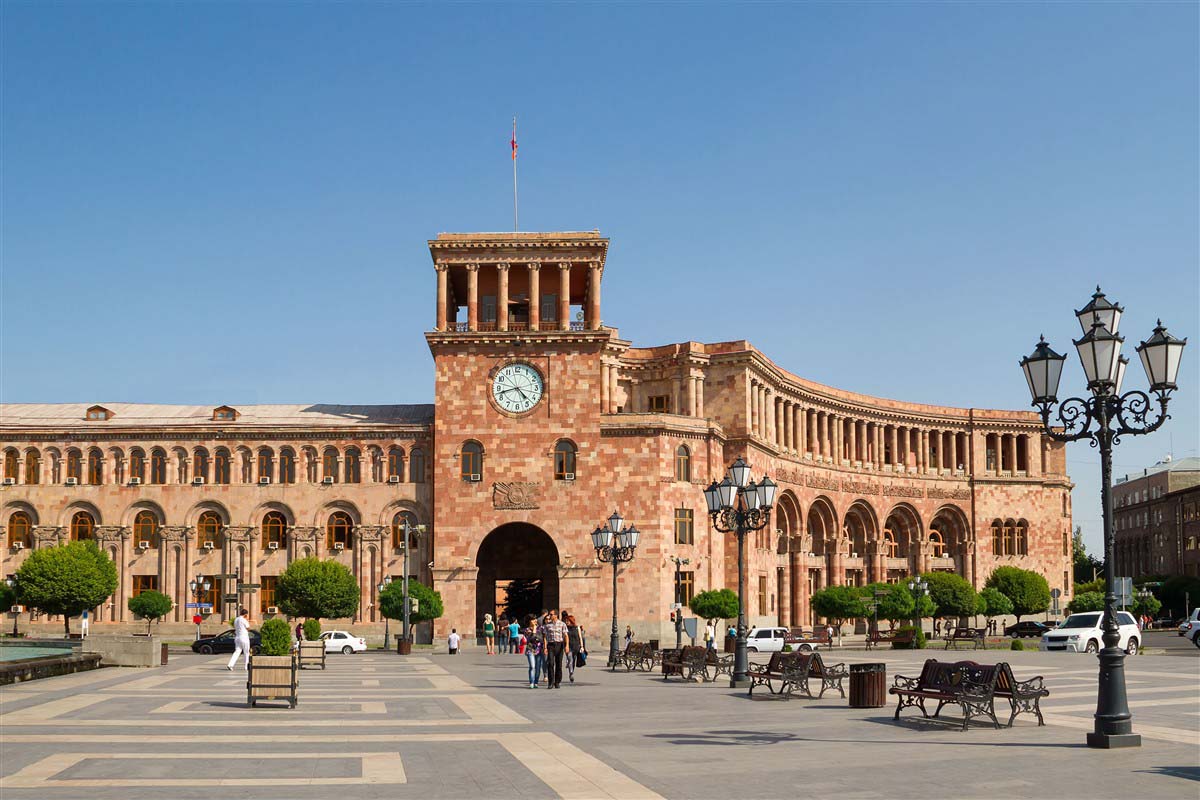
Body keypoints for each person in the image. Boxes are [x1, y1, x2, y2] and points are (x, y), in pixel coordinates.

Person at [541, 610, 568, 689]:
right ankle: (551, 682)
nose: (550, 616)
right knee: (550, 663)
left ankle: (557, 682)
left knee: (559, 664)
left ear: (556, 615)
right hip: (551, 645)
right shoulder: (547, 625)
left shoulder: (562, 624)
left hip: (559, 645)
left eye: (551, 614)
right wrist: (545, 647)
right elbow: (545, 637)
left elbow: (566, 635)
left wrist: (567, 646)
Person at [565, 613, 586, 683]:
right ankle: (571, 673)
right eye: (566, 621)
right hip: (569, 646)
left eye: (567, 621)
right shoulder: (566, 628)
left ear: (571, 621)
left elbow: (580, 637)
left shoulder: (577, 628)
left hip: (576, 646)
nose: (566, 622)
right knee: (570, 659)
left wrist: (582, 646)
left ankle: (571, 671)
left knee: (573, 660)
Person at [523, 616, 544, 688]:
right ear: (529, 621)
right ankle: (531, 682)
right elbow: (531, 639)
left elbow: (542, 638)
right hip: (530, 649)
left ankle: (536, 682)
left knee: (538, 667)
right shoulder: (527, 630)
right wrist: (534, 631)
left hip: (539, 650)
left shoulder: (541, 628)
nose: (535, 621)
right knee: (532, 666)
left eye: (535, 619)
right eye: (532, 619)